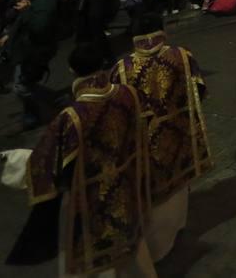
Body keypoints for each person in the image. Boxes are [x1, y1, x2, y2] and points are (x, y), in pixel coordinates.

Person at [24, 43, 154, 276]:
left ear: (73, 71)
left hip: (91, 198)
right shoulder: (128, 94)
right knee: (130, 247)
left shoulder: (72, 116)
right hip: (126, 186)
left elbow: (45, 161)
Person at [111, 16, 211, 263]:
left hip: (147, 143)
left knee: (153, 197)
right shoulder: (181, 55)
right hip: (178, 134)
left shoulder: (122, 67)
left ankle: (156, 247)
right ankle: (176, 229)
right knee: (177, 188)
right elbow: (199, 89)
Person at [0, 0, 59, 129]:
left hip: (37, 50)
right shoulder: (27, 0)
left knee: (21, 86)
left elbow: (39, 27)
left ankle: (53, 101)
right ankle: (33, 113)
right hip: (25, 49)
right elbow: (18, 22)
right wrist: (9, 36)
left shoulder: (45, 2)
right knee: (26, 83)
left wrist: (26, 11)